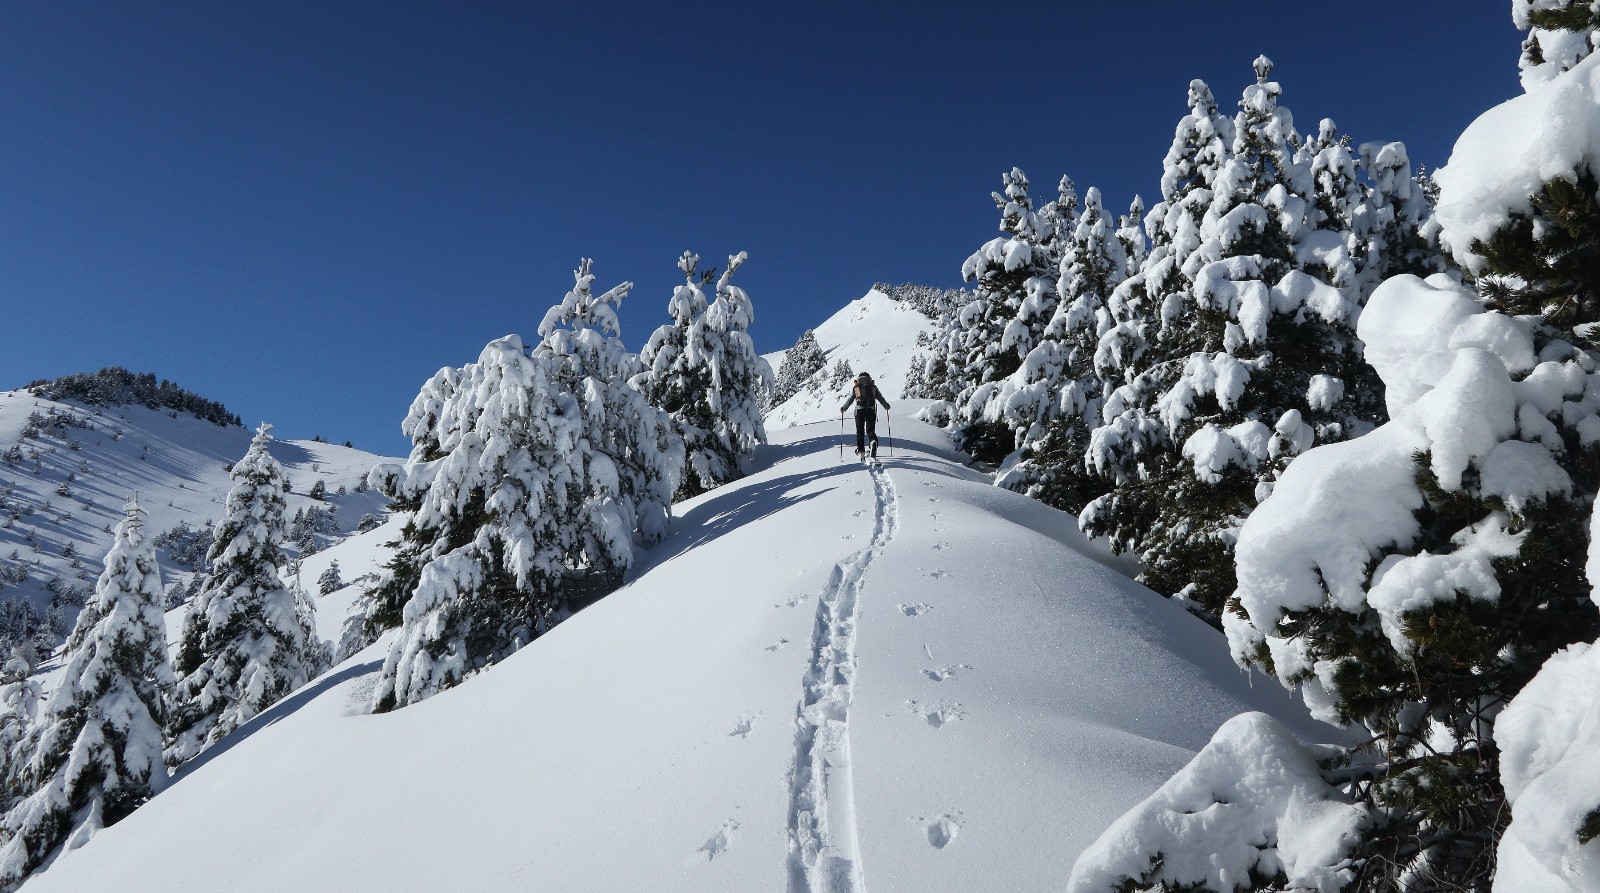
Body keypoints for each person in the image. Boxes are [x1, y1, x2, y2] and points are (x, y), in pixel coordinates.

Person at [840, 371, 891, 458]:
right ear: (869, 378)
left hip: (859, 411)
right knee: (870, 430)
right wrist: (886, 406)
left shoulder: (857, 387)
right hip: (871, 410)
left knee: (860, 431)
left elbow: (850, 399)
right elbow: (880, 398)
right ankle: (873, 441)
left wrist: (844, 408)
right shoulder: (872, 387)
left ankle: (861, 451)